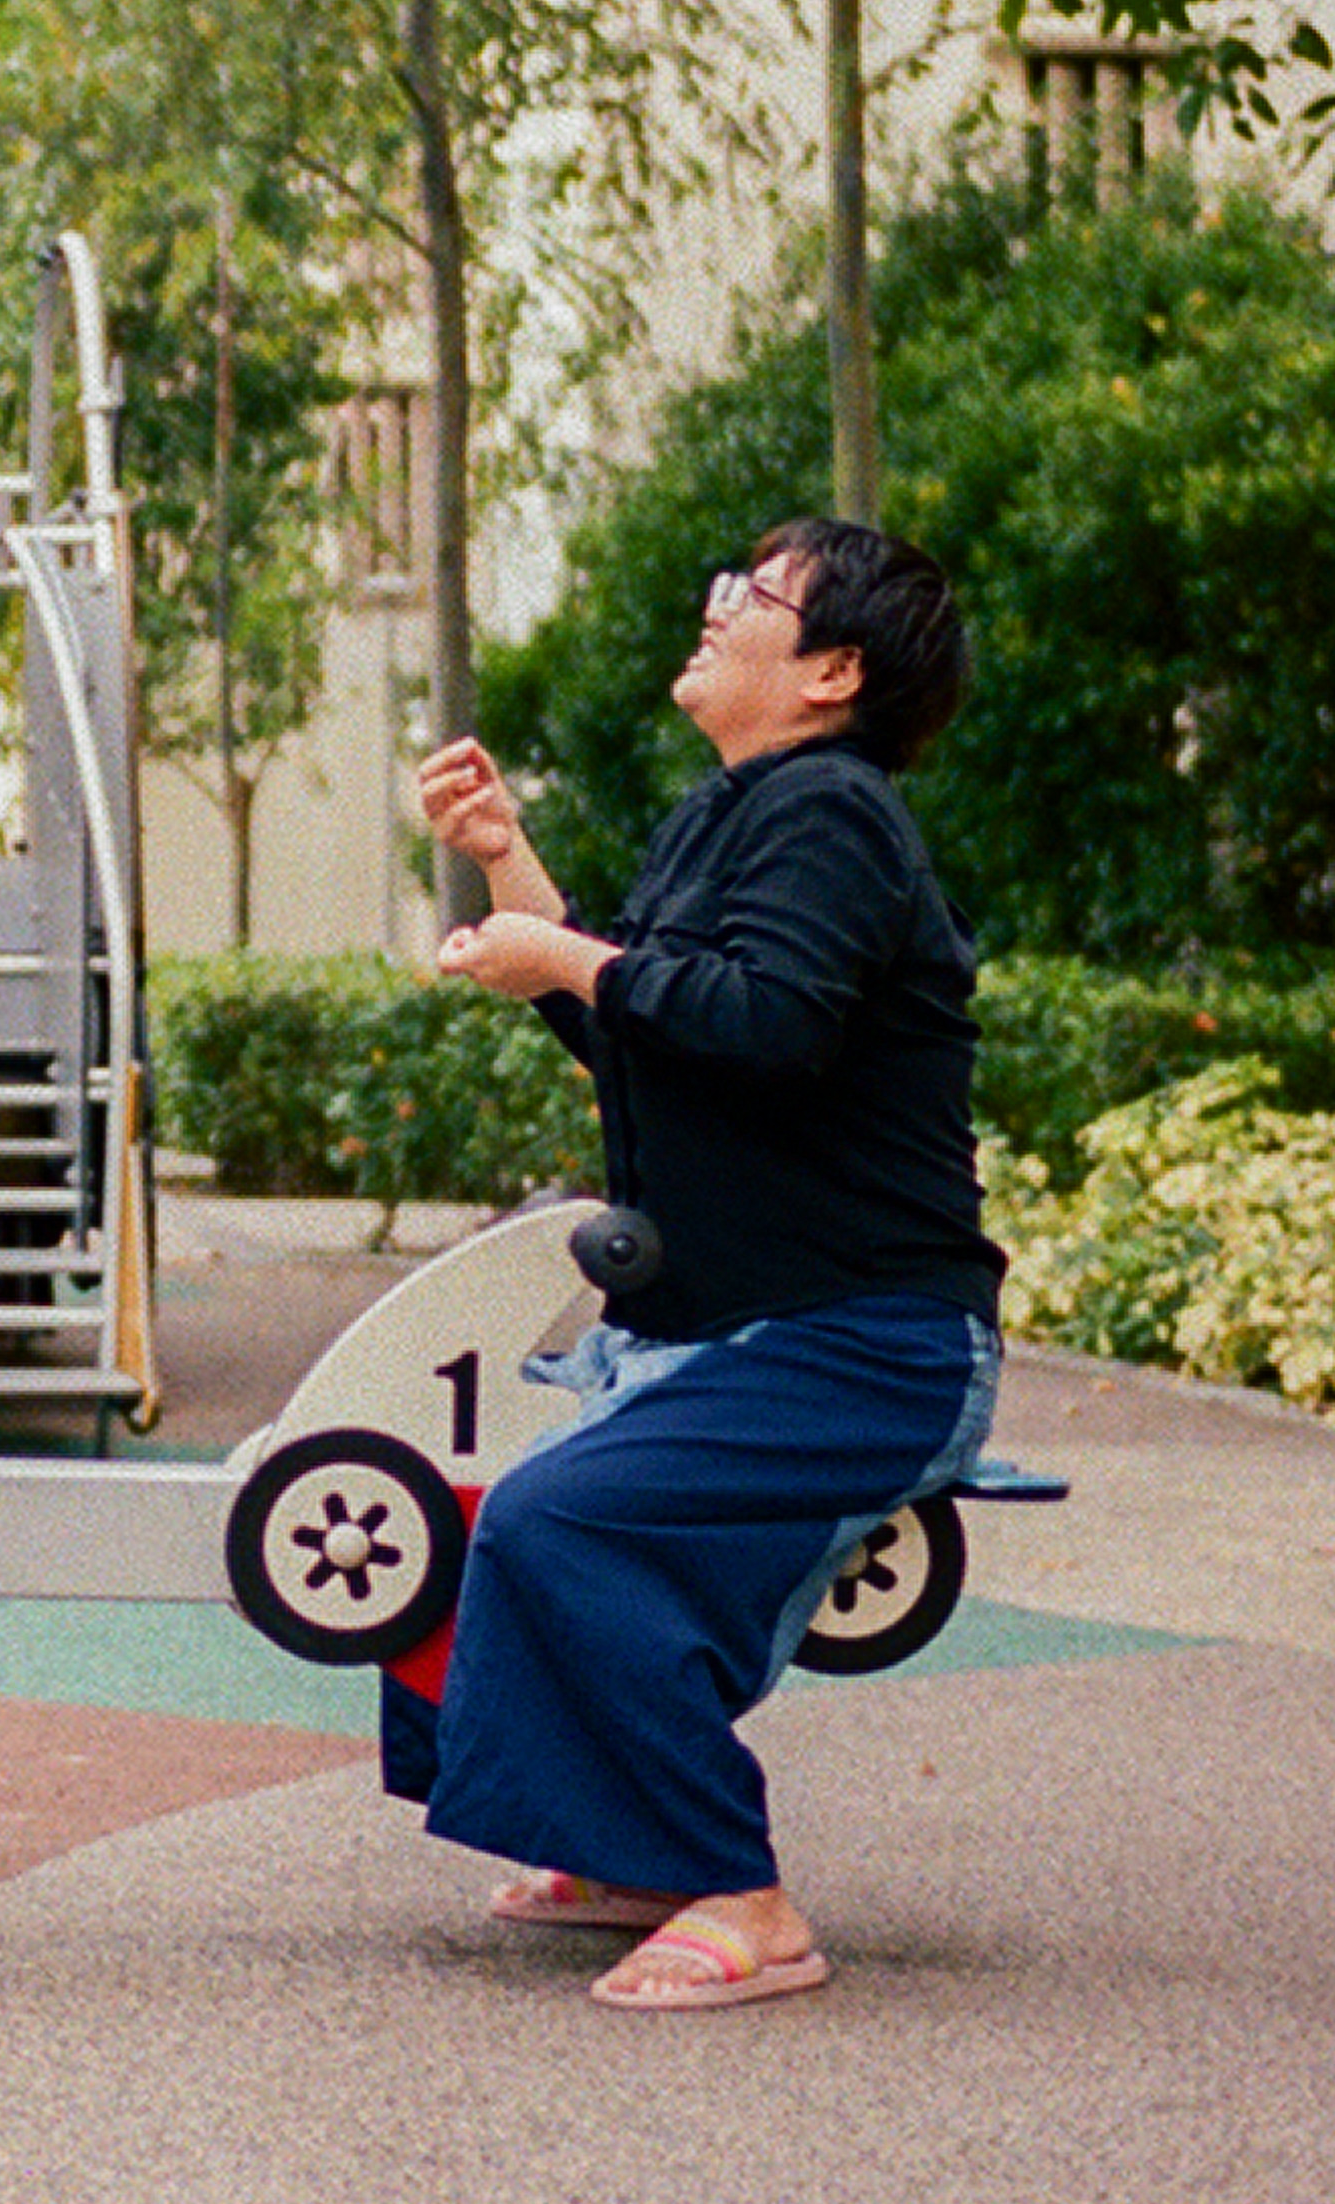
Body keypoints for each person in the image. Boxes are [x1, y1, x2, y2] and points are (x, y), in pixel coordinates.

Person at [401, 514, 1003, 2015]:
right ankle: (625, 1845)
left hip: (865, 1341)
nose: (716, 605)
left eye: (757, 595)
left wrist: (568, 956)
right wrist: (510, 868)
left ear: (832, 671)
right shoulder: (735, 812)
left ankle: (742, 1892)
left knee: (563, 1525)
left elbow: (767, 1026)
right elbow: (651, 1030)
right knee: (482, 1515)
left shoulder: (834, 813)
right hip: (752, 1336)